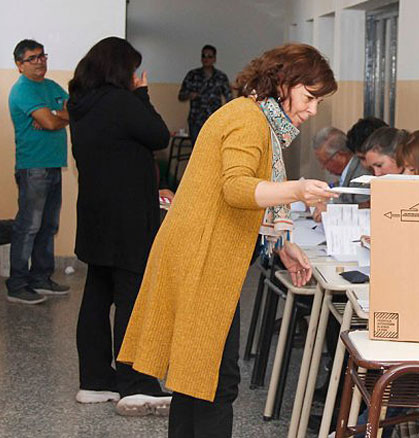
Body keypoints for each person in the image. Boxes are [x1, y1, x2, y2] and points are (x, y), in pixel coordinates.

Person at [118, 43, 338, 437]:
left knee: (199, 380)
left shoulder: (251, 116)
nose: (312, 110)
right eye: (310, 97)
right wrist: (298, 189)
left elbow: (246, 198)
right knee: (214, 383)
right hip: (202, 260)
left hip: (206, 259)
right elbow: (237, 188)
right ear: (284, 81)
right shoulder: (249, 120)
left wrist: (283, 244)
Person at [67, 37, 173, 414]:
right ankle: (135, 383)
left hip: (95, 215)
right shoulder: (122, 102)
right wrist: (142, 95)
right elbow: (159, 136)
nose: (135, 76)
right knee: (131, 297)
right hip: (127, 218)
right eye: (132, 70)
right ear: (120, 70)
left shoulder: (79, 104)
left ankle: (95, 380)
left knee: (97, 296)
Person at [6, 39, 70, 305]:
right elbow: (51, 121)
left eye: (42, 56)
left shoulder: (52, 86)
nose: (40, 62)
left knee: (48, 224)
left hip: (54, 164)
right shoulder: (22, 90)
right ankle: (18, 284)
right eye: (32, 58)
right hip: (33, 167)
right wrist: (54, 117)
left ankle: (41, 278)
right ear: (19, 65)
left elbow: (71, 112)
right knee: (28, 226)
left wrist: (56, 116)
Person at [312, 117, 386, 222]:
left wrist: (333, 210)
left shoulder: (362, 173)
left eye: (379, 165)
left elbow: (367, 207)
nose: (366, 165)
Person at [178, 44, 233, 143]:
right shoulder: (192, 75)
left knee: (214, 149)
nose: (206, 59)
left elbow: (229, 97)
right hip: (196, 119)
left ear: (214, 59)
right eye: (203, 56)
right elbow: (181, 96)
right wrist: (190, 95)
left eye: (209, 56)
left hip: (214, 119)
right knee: (197, 149)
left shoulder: (221, 77)